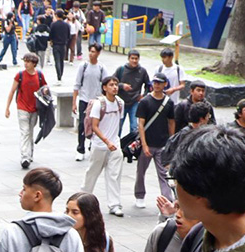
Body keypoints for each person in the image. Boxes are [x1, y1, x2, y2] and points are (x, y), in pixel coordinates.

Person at [83, 76, 125, 217]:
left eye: (116, 84)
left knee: (114, 175)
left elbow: (117, 122)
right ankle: (83, 199)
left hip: (115, 145)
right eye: (111, 85)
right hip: (100, 145)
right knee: (92, 173)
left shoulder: (120, 103)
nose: (115, 87)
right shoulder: (99, 104)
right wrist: (107, 141)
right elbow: (95, 126)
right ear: (104, 87)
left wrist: (113, 142)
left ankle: (115, 204)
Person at [134, 74, 176, 208]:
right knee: (141, 171)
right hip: (148, 143)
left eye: (160, 83)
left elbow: (171, 122)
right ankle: (139, 195)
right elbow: (141, 124)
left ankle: (167, 199)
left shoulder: (168, 102)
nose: (157, 85)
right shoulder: (145, 101)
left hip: (162, 144)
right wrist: (144, 145)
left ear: (165, 84)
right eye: (155, 82)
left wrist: (171, 141)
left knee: (163, 174)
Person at [4, 52, 48, 170]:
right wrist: (7, 107)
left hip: (35, 108)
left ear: (34, 63)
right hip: (22, 107)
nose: (26, 64)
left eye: (28, 62)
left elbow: (45, 87)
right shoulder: (20, 75)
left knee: (30, 131)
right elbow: (12, 91)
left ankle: (29, 153)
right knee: (25, 131)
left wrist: (45, 91)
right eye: (25, 61)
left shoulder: (39, 75)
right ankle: (25, 157)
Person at [72, 42, 107, 161]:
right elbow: (76, 84)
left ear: (98, 53)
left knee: (95, 125)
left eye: (93, 52)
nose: (91, 54)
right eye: (90, 51)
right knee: (82, 124)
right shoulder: (83, 66)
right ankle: (80, 149)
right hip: (84, 99)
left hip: (96, 101)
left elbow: (105, 84)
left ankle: (93, 146)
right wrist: (74, 102)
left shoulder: (102, 67)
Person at [114, 50, 150, 136]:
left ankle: (131, 146)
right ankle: (117, 145)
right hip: (121, 102)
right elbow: (112, 84)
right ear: (128, 59)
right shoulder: (121, 69)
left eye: (136, 59)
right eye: (132, 58)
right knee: (118, 126)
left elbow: (149, 85)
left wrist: (143, 96)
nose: (134, 61)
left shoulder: (142, 71)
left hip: (134, 102)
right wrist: (122, 86)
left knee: (134, 127)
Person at [48, 10, 71, 82]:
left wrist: (50, 40)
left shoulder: (53, 24)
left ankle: (58, 76)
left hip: (55, 44)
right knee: (61, 61)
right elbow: (68, 36)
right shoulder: (67, 25)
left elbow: (51, 35)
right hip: (63, 44)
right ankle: (61, 74)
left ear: (56, 15)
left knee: (57, 60)